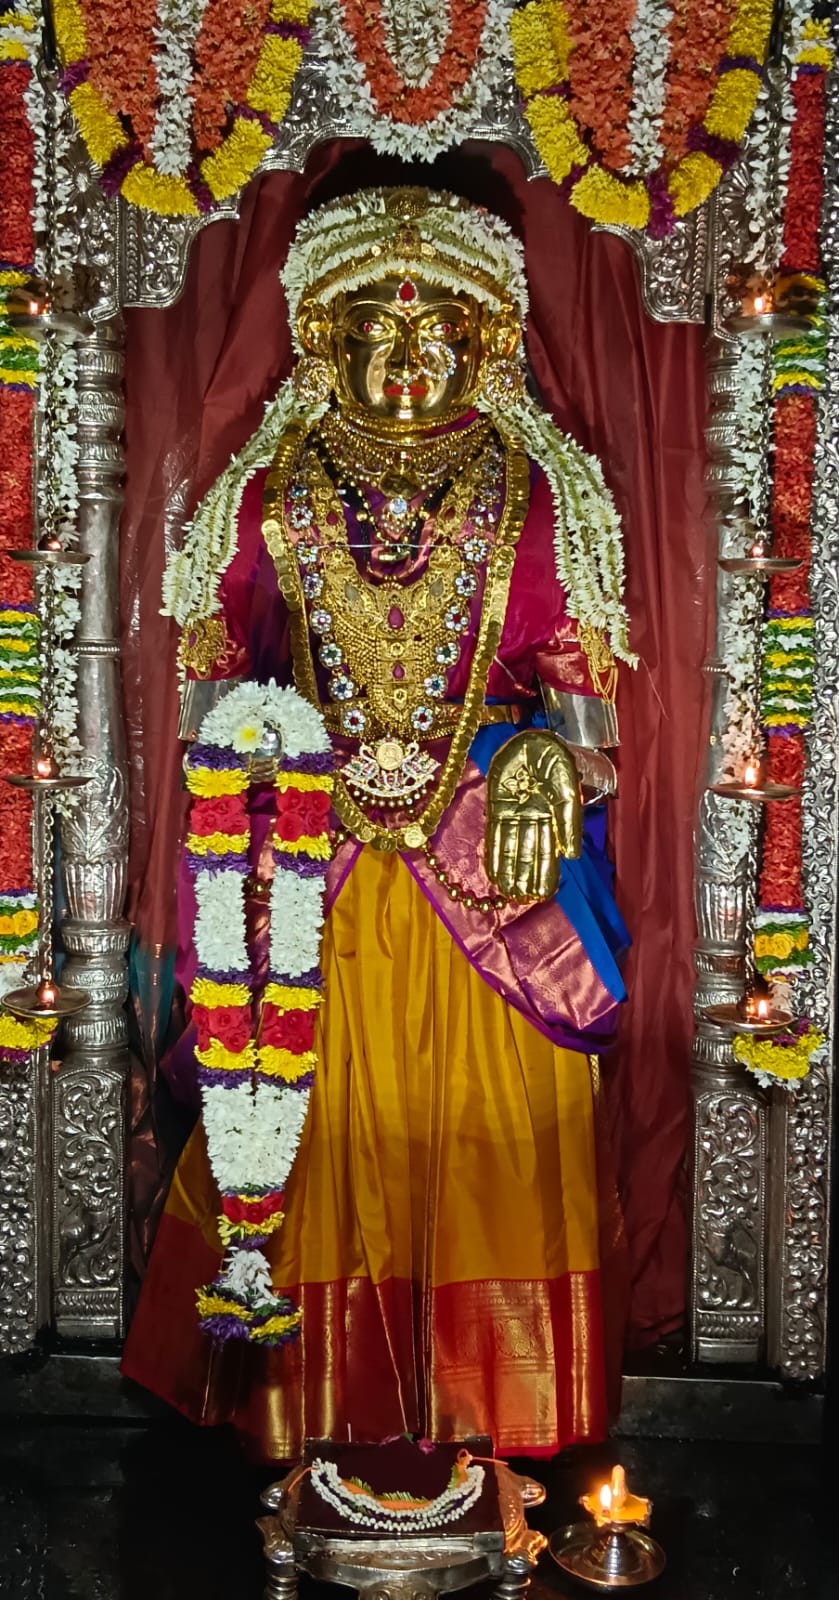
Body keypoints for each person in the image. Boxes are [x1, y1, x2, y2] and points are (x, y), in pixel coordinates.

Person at [122, 185, 635, 1462]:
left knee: (493, 1133)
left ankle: (489, 1404)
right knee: (298, 1118)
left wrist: (536, 769)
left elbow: (588, 723)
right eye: (370, 327)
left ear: (488, 338)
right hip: (314, 860)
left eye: (437, 328)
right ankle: (311, 1402)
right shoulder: (262, 495)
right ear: (318, 337)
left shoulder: (541, 498)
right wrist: (279, 746)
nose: (405, 357)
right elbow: (205, 702)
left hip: (487, 875)